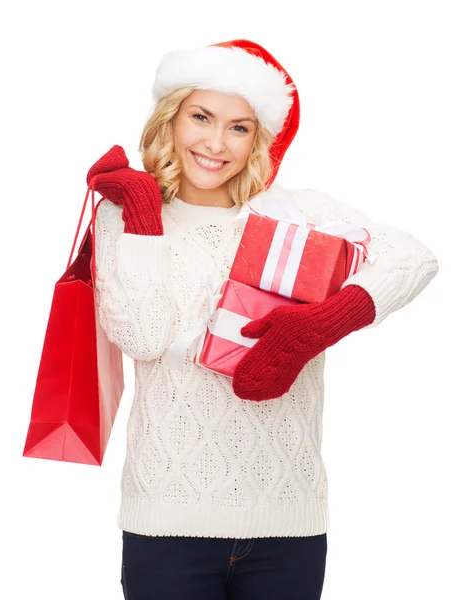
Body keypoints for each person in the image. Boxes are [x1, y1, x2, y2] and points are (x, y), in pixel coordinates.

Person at [86, 39, 439, 600]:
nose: (216, 143)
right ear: (170, 118)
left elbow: (414, 257)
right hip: (168, 516)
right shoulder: (125, 216)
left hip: (287, 515)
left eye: (239, 127)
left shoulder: (299, 213)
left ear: (260, 139)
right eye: (201, 117)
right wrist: (146, 217)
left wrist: (320, 326)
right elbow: (143, 337)